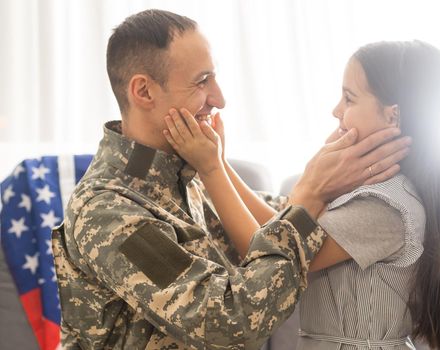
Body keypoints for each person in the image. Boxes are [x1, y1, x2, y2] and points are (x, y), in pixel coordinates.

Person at [51, 9, 411, 350]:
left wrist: (220, 168)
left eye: (214, 76)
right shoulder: (110, 210)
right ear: (144, 91)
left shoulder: (186, 177)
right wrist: (310, 193)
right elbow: (230, 323)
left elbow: (285, 224)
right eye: (201, 82)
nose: (219, 99)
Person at [165, 40, 440, 349]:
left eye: (349, 99)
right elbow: (281, 227)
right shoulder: (362, 190)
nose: (336, 110)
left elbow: (269, 249)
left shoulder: (383, 207)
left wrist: (211, 170)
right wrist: (218, 161)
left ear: (393, 117)